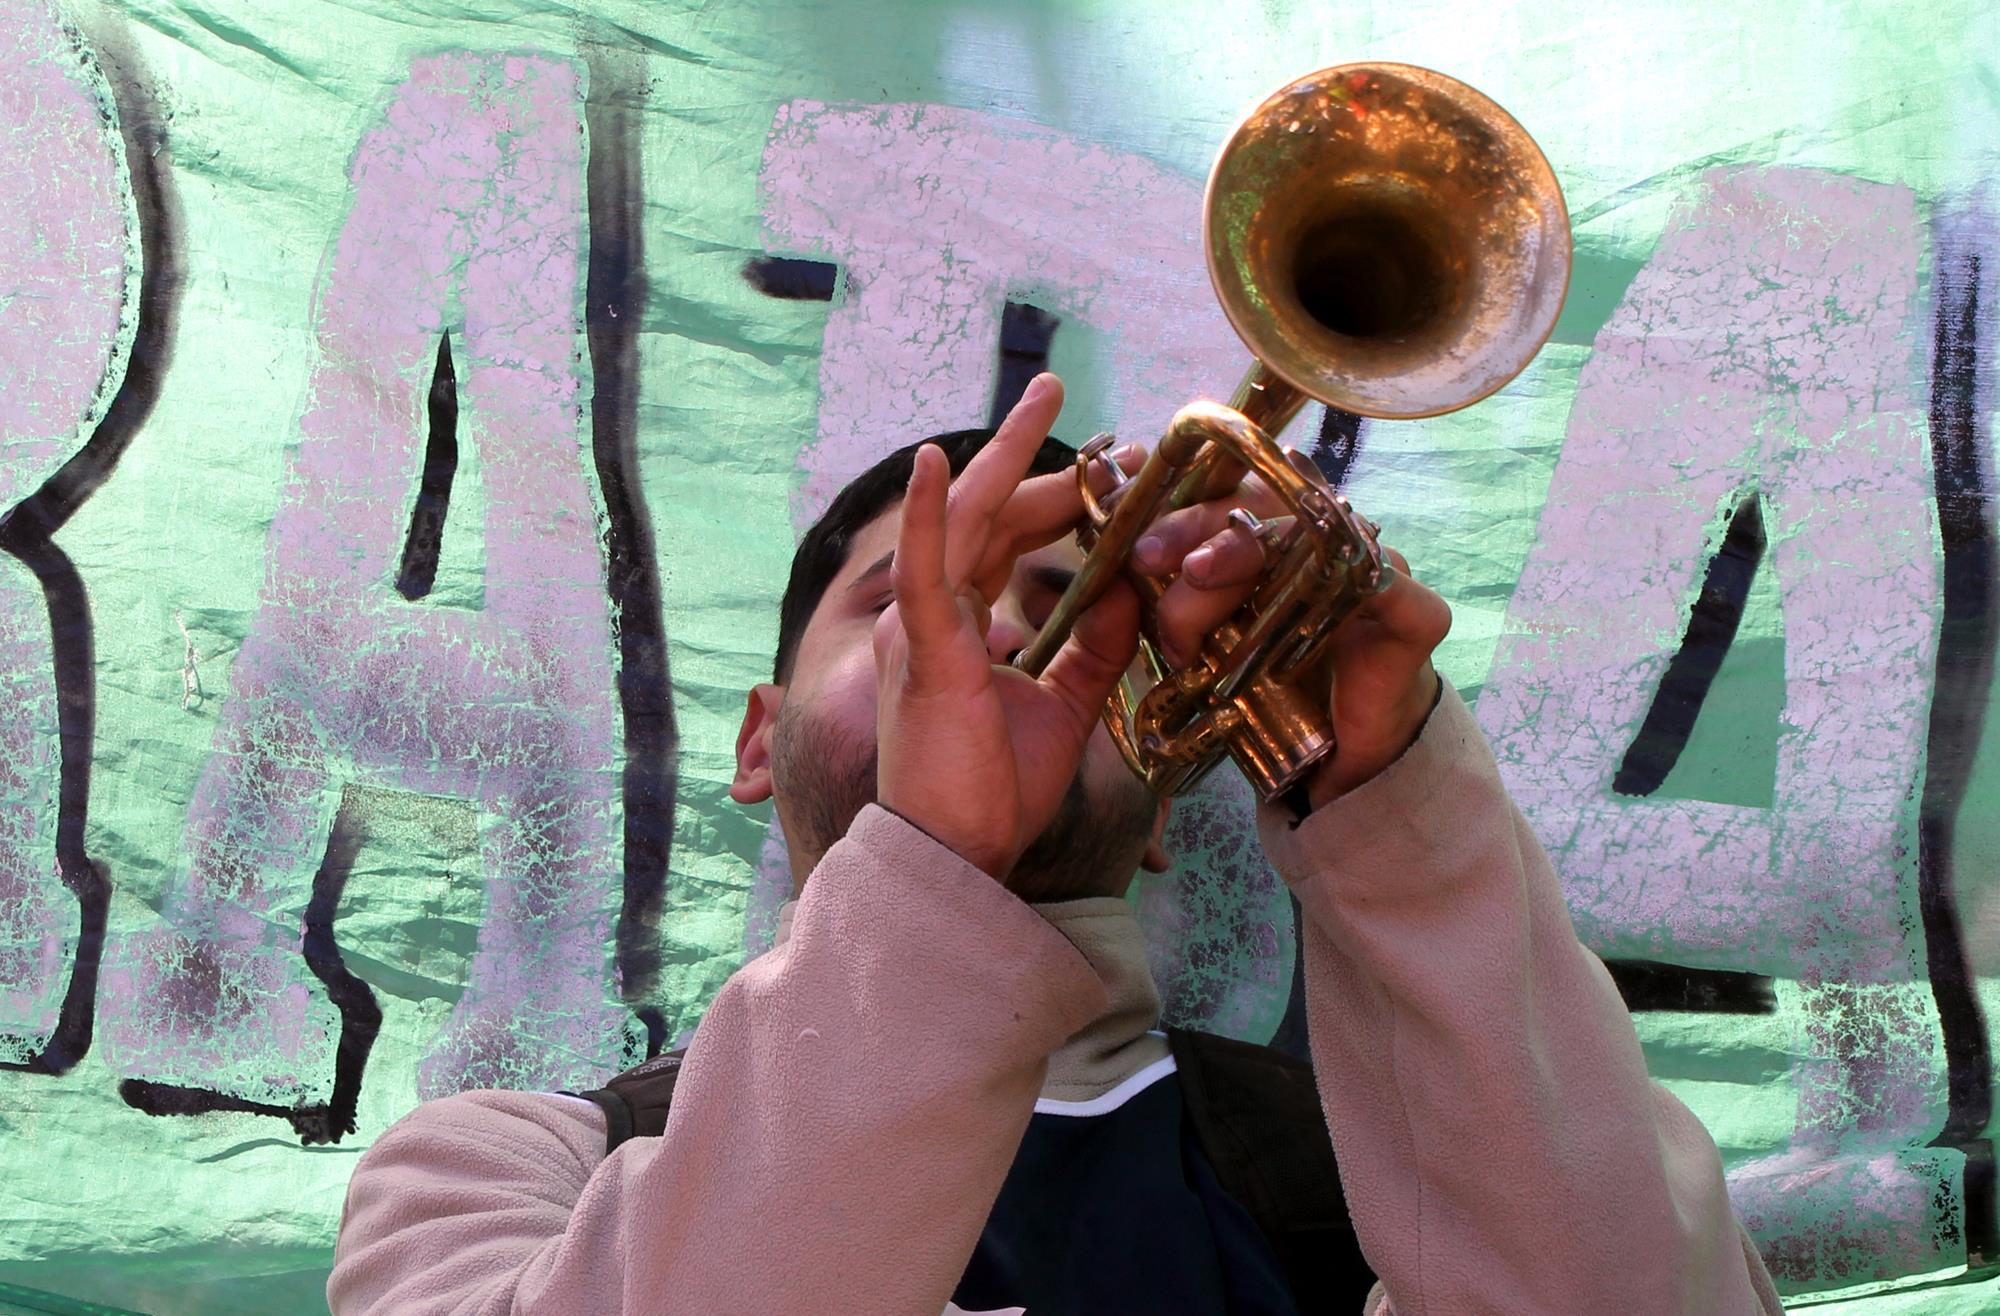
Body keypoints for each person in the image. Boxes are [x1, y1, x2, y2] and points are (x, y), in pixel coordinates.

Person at [326, 374, 1783, 1314]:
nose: (999, 632)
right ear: (759, 742)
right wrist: (934, 857)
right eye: (905, 600)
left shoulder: (1377, 1170)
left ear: (1167, 800)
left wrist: (1394, 796)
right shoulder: (492, 1169)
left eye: (1075, 608)